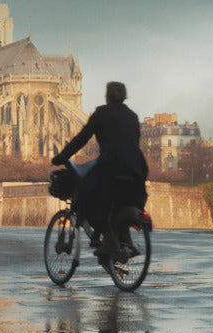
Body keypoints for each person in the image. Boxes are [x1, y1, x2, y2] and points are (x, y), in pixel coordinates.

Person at [51, 81, 148, 253]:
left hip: (111, 167)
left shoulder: (102, 113)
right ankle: (121, 237)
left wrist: (62, 156)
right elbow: (133, 144)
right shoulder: (133, 116)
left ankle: (104, 238)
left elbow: (81, 138)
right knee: (123, 201)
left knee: (86, 192)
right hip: (136, 170)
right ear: (125, 96)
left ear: (107, 96)